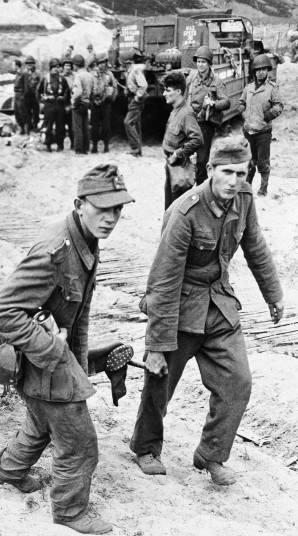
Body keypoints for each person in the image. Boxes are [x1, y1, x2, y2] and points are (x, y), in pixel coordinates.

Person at [0, 164, 134, 535]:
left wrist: (78, 367)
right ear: (79, 204)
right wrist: (53, 352)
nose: (111, 218)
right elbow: (1, 311)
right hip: (40, 360)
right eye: (103, 209)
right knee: (80, 444)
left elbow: (79, 313)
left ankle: (8, 470)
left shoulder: (85, 241)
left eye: (118, 209)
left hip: (55, 360)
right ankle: (70, 512)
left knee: (41, 423)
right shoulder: (56, 249)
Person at [130, 136, 284, 486]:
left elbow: (254, 243)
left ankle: (212, 455)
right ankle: (145, 447)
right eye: (226, 172)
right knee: (160, 380)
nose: (234, 180)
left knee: (237, 382)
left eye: (241, 173)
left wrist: (273, 294)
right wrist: (155, 345)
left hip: (220, 305)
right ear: (210, 170)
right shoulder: (185, 211)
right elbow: (163, 280)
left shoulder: (243, 197)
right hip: (179, 307)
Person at [237, 54, 283, 196]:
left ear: (268, 70)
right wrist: (242, 113)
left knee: (263, 163)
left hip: (263, 132)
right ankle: (247, 187)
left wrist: (267, 115)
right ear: (254, 71)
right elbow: (241, 102)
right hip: (248, 131)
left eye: (263, 69)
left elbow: (279, 106)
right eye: (258, 69)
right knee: (249, 161)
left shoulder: (272, 88)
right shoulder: (248, 87)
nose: (260, 72)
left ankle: (263, 189)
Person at [185, 46, 230, 185]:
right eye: (198, 61)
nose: (200, 65)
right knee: (187, 155)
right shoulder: (192, 78)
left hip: (206, 124)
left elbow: (226, 102)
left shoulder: (216, 80)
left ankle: (201, 187)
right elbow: (185, 96)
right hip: (191, 121)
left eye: (203, 62)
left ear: (209, 63)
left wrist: (213, 104)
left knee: (202, 159)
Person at [161, 72, 203, 209]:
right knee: (169, 208)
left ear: (178, 91)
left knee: (178, 211)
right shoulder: (175, 111)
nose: (164, 94)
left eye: (168, 90)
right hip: (172, 166)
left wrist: (177, 154)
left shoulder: (186, 114)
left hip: (181, 169)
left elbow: (197, 139)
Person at [37, 58, 70, 152]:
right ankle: (48, 144)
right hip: (49, 105)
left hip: (59, 105)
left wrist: (66, 104)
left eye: (58, 67)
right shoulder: (45, 79)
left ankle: (60, 145)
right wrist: (41, 102)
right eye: (54, 67)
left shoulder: (62, 79)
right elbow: (38, 91)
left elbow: (67, 92)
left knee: (60, 126)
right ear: (50, 68)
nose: (56, 69)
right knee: (48, 126)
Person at [89, 53, 117, 154]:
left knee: (106, 126)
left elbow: (114, 87)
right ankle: (95, 146)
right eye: (100, 63)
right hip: (94, 103)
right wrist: (92, 99)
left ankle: (106, 146)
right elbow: (89, 88)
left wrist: (111, 98)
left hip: (106, 103)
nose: (102, 65)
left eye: (104, 63)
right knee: (94, 126)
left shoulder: (109, 75)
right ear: (97, 64)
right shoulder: (92, 74)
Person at [124, 48, 148, 157]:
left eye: (126, 63)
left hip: (136, 99)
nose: (125, 65)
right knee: (136, 123)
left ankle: (135, 148)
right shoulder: (130, 71)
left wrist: (138, 97)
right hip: (132, 98)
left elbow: (143, 85)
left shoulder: (135, 71)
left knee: (128, 122)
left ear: (129, 62)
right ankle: (138, 150)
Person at [71, 55, 92, 154]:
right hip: (87, 102)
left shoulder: (78, 76)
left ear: (76, 65)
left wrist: (74, 103)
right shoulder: (89, 75)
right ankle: (86, 148)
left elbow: (78, 92)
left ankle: (79, 149)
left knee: (78, 127)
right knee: (85, 126)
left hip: (79, 103)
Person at [23, 56, 41, 133]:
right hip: (26, 96)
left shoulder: (38, 73)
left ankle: (35, 126)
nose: (29, 64)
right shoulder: (24, 73)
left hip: (35, 95)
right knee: (27, 112)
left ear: (34, 64)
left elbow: (40, 83)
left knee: (36, 112)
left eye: (31, 63)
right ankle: (28, 127)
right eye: (28, 63)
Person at [61, 58, 75, 149]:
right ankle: (61, 144)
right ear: (63, 67)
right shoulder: (60, 77)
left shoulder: (74, 77)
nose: (68, 68)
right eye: (66, 66)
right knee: (61, 125)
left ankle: (73, 144)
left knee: (71, 126)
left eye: (69, 66)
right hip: (61, 104)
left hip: (71, 103)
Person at [13, 60, 29, 135]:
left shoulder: (24, 74)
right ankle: (21, 128)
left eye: (13, 65)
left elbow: (26, 87)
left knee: (23, 113)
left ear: (17, 65)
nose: (12, 67)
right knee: (17, 113)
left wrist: (23, 96)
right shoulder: (17, 74)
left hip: (21, 94)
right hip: (16, 94)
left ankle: (26, 129)